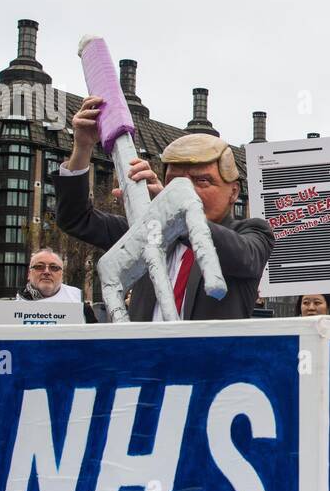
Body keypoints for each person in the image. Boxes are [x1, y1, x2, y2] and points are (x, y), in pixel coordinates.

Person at [54, 96, 274, 320]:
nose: (185, 191)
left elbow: (244, 257)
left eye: (202, 182)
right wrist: (82, 148)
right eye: (175, 183)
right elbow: (76, 218)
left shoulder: (254, 232)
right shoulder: (147, 231)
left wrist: (178, 213)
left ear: (234, 192)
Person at [18, 248, 98, 323]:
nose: (46, 272)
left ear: (62, 275)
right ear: (29, 274)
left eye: (54, 267)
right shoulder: (13, 308)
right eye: (39, 266)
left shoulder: (81, 305)